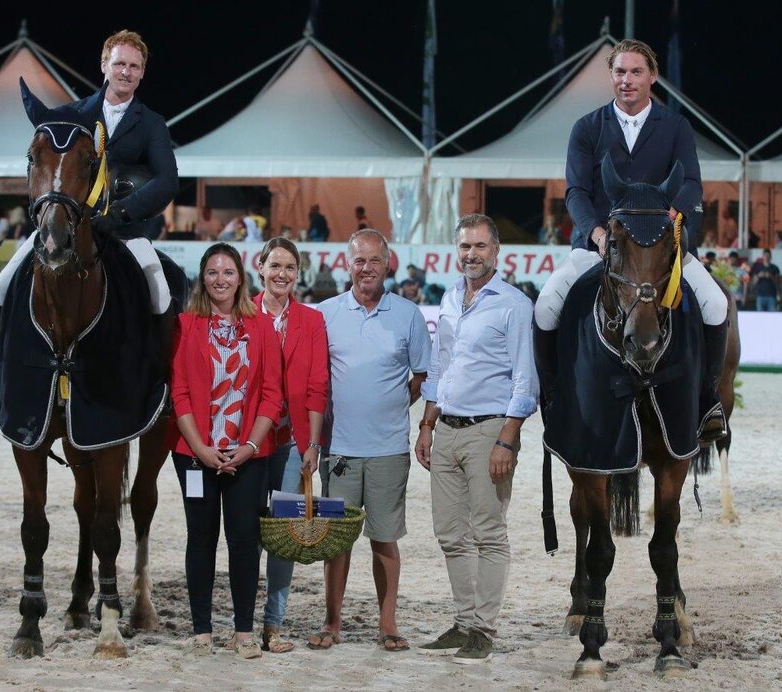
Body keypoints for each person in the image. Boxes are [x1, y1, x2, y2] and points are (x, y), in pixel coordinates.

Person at [533, 38, 729, 445]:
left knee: (716, 304)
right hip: (600, 245)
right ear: (611, 75)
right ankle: (552, 396)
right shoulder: (587, 127)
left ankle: (706, 400)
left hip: (660, 247)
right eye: (620, 72)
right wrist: (597, 233)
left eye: (636, 72)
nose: (627, 80)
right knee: (546, 306)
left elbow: (691, 184)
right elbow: (576, 192)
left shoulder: (675, 126)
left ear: (652, 76)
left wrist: (669, 222)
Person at [414, 214, 538, 664]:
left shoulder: (514, 305)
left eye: (480, 246)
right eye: (465, 246)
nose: (472, 254)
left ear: (496, 251)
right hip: (446, 429)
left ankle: (483, 629)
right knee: (450, 533)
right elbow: (439, 369)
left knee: (488, 533)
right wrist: (427, 425)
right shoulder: (449, 299)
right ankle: (464, 622)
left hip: (490, 431)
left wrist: (507, 439)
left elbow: (525, 381)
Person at [308, 229, 432, 653]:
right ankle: (331, 622)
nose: (367, 268)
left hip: (389, 450)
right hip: (339, 451)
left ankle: (388, 623)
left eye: (374, 260)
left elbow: (422, 376)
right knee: (336, 542)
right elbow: (315, 380)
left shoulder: (408, 315)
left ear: (387, 263)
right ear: (348, 264)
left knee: (385, 539)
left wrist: (392, 404)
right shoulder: (325, 314)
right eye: (359, 260)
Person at [167, 242, 283, 659]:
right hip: (194, 455)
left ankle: (244, 632)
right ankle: (202, 631)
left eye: (228, 272)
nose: (220, 280)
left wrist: (250, 446)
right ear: (203, 278)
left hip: (249, 455)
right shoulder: (185, 325)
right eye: (213, 272)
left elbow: (272, 395)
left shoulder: (262, 326)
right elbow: (179, 393)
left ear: (240, 278)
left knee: (244, 540)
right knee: (201, 539)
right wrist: (200, 448)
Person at [253, 237, 330, 654]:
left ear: (298, 274)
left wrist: (312, 443)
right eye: (275, 266)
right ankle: (242, 622)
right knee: (247, 532)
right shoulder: (243, 313)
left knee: (284, 532)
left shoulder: (311, 321)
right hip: (250, 444)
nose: (281, 274)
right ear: (260, 267)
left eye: (289, 268)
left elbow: (318, 386)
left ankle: (273, 624)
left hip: (294, 441)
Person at [90, 30, 179, 241]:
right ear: (104, 65)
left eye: (134, 66)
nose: (126, 72)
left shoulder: (152, 123)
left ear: (142, 72)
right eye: (119, 64)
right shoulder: (73, 114)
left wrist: (119, 213)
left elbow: (167, 180)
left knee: (153, 266)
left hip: (126, 233)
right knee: (19, 261)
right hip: (70, 229)